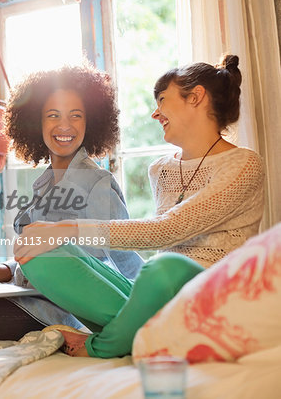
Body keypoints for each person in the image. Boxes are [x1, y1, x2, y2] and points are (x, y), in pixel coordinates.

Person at [13, 55, 265, 358]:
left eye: (162, 100)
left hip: (208, 300)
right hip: (161, 301)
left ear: (195, 97)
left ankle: (105, 344)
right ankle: (144, 330)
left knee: (165, 267)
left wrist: (64, 228)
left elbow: (167, 230)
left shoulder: (244, 165)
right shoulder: (161, 169)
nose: (155, 114)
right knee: (38, 251)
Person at [0, 64, 143, 340]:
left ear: (90, 122)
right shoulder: (46, 183)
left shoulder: (97, 184)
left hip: (50, 315)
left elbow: (127, 263)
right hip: (23, 302)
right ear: (37, 122)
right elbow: (30, 263)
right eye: (53, 115)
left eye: (76, 115)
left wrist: (149, 317)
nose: (65, 125)